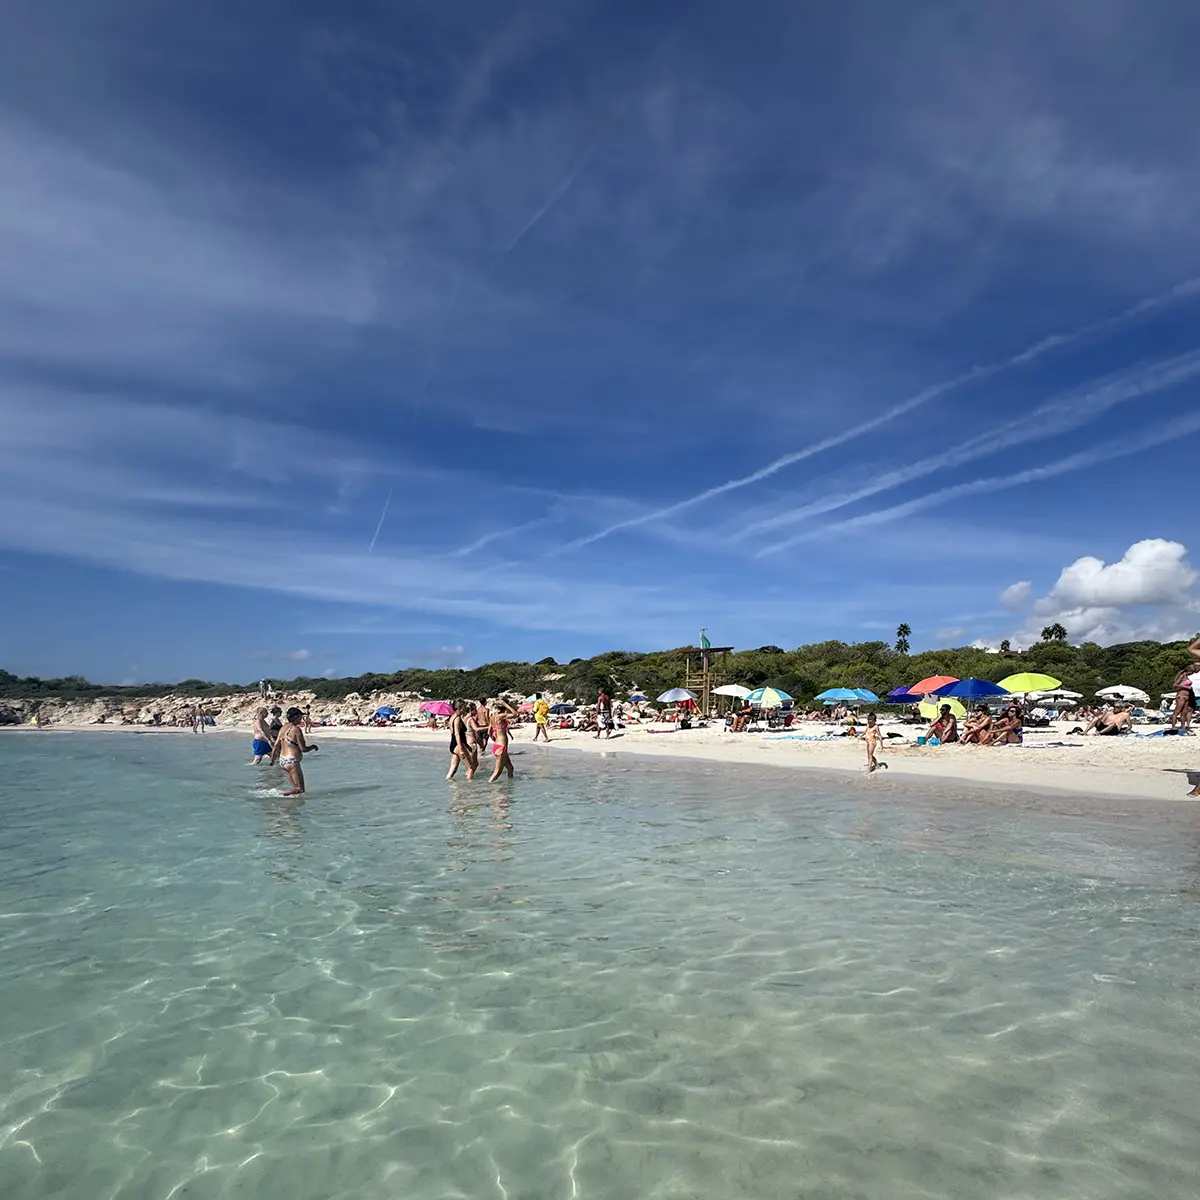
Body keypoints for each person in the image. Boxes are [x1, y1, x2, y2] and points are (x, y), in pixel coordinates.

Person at [270, 706, 317, 795]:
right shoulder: (296, 730)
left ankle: (290, 802)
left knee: (295, 789)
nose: (301, 719)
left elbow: (275, 745)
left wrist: (272, 760)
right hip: (292, 761)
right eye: (300, 716)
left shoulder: (283, 728)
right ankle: (278, 795)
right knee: (300, 789)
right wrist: (312, 747)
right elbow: (303, 749)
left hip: (282, 760)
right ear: (295, 717)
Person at [446, 700, 478, 780]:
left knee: (453, 769)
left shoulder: (452, 717)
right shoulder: (457, 719)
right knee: (470, 768)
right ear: (460, 708)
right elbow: (457, 734)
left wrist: (467, 745)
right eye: (464, 707)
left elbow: (455, 733)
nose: (465, 709)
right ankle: (470, 786)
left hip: (453, 745)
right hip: (458, 745)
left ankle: (449, 785)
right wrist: (461, 749)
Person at [488, 698, 518, 782]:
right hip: (501, 746)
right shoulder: (500, 716)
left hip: (497, 745)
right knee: (497, 772)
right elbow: (516, 714)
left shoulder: (492, 717)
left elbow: (489, 732)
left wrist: (494, 739)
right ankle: (488, 787)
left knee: (510, 768)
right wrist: (505, 704)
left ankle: (510, 786)